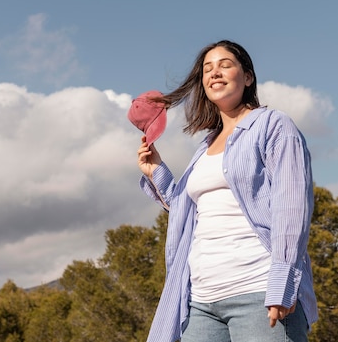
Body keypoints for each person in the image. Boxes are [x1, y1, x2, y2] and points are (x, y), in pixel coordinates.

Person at [134, 40, 318, 342]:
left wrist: (282, 283)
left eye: (225, 65)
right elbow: (187, 211)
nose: (214, 73)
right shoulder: (205, 145)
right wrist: (157, 171)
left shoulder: (273, 126)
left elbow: (292, 206)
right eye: (207, 69)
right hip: (201, 301)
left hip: (258, 290)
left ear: (247, 77)